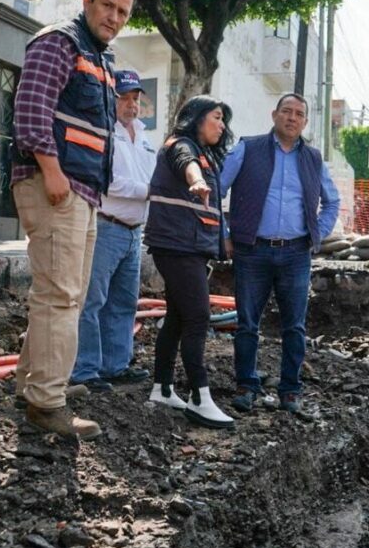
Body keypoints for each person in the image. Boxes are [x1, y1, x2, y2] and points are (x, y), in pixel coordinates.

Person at [10, 0, 136, 440]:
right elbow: (30, 110)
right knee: (59, 296)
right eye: (108, 6)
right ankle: (46, 402)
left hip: (81, 192)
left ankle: (38, 384)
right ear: (86, 1)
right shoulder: (59, 42)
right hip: (56, 186)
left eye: (123, 12)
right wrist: (51, 169)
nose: (115, 18)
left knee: (66, 296)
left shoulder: (98, 58)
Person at [221, 93, 340, 414]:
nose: (292, 117)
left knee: (295, 327)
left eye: (299, 114)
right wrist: (224, 234)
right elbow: (215, 191)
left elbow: (332, 202)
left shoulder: (313, 159)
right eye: (286, 111)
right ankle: (246, 386)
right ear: (274, 115)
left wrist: (318, 235)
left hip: (295, 254)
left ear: (304, 122)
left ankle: (290, 390)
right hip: (252, 251)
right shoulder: (248, 148)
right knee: (247, 324)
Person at [143, 95, 235, 429]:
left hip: (189, 246)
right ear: (195, 117)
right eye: (216, 117)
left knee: (179, 317)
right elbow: (186, 163)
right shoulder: (179, 146)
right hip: (177, 245)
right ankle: (199, 397)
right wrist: (195, 179)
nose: (221, 125)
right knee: (199, 315)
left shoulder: (207, 155)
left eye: (224, 119)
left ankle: (163, 387)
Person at [69, 69, 155, 392]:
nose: (131, 105)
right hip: (107, 227)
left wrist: (153, 190)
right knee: (92, 300)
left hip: (134, 232)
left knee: (123, 302)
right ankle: (86, 369)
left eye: (135, 98)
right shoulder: (103, 133)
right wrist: (149, 191)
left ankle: (115, 365)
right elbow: (110, 182)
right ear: (111, 98)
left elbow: (155, 179)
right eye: (125, 97)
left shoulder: (144, 137)